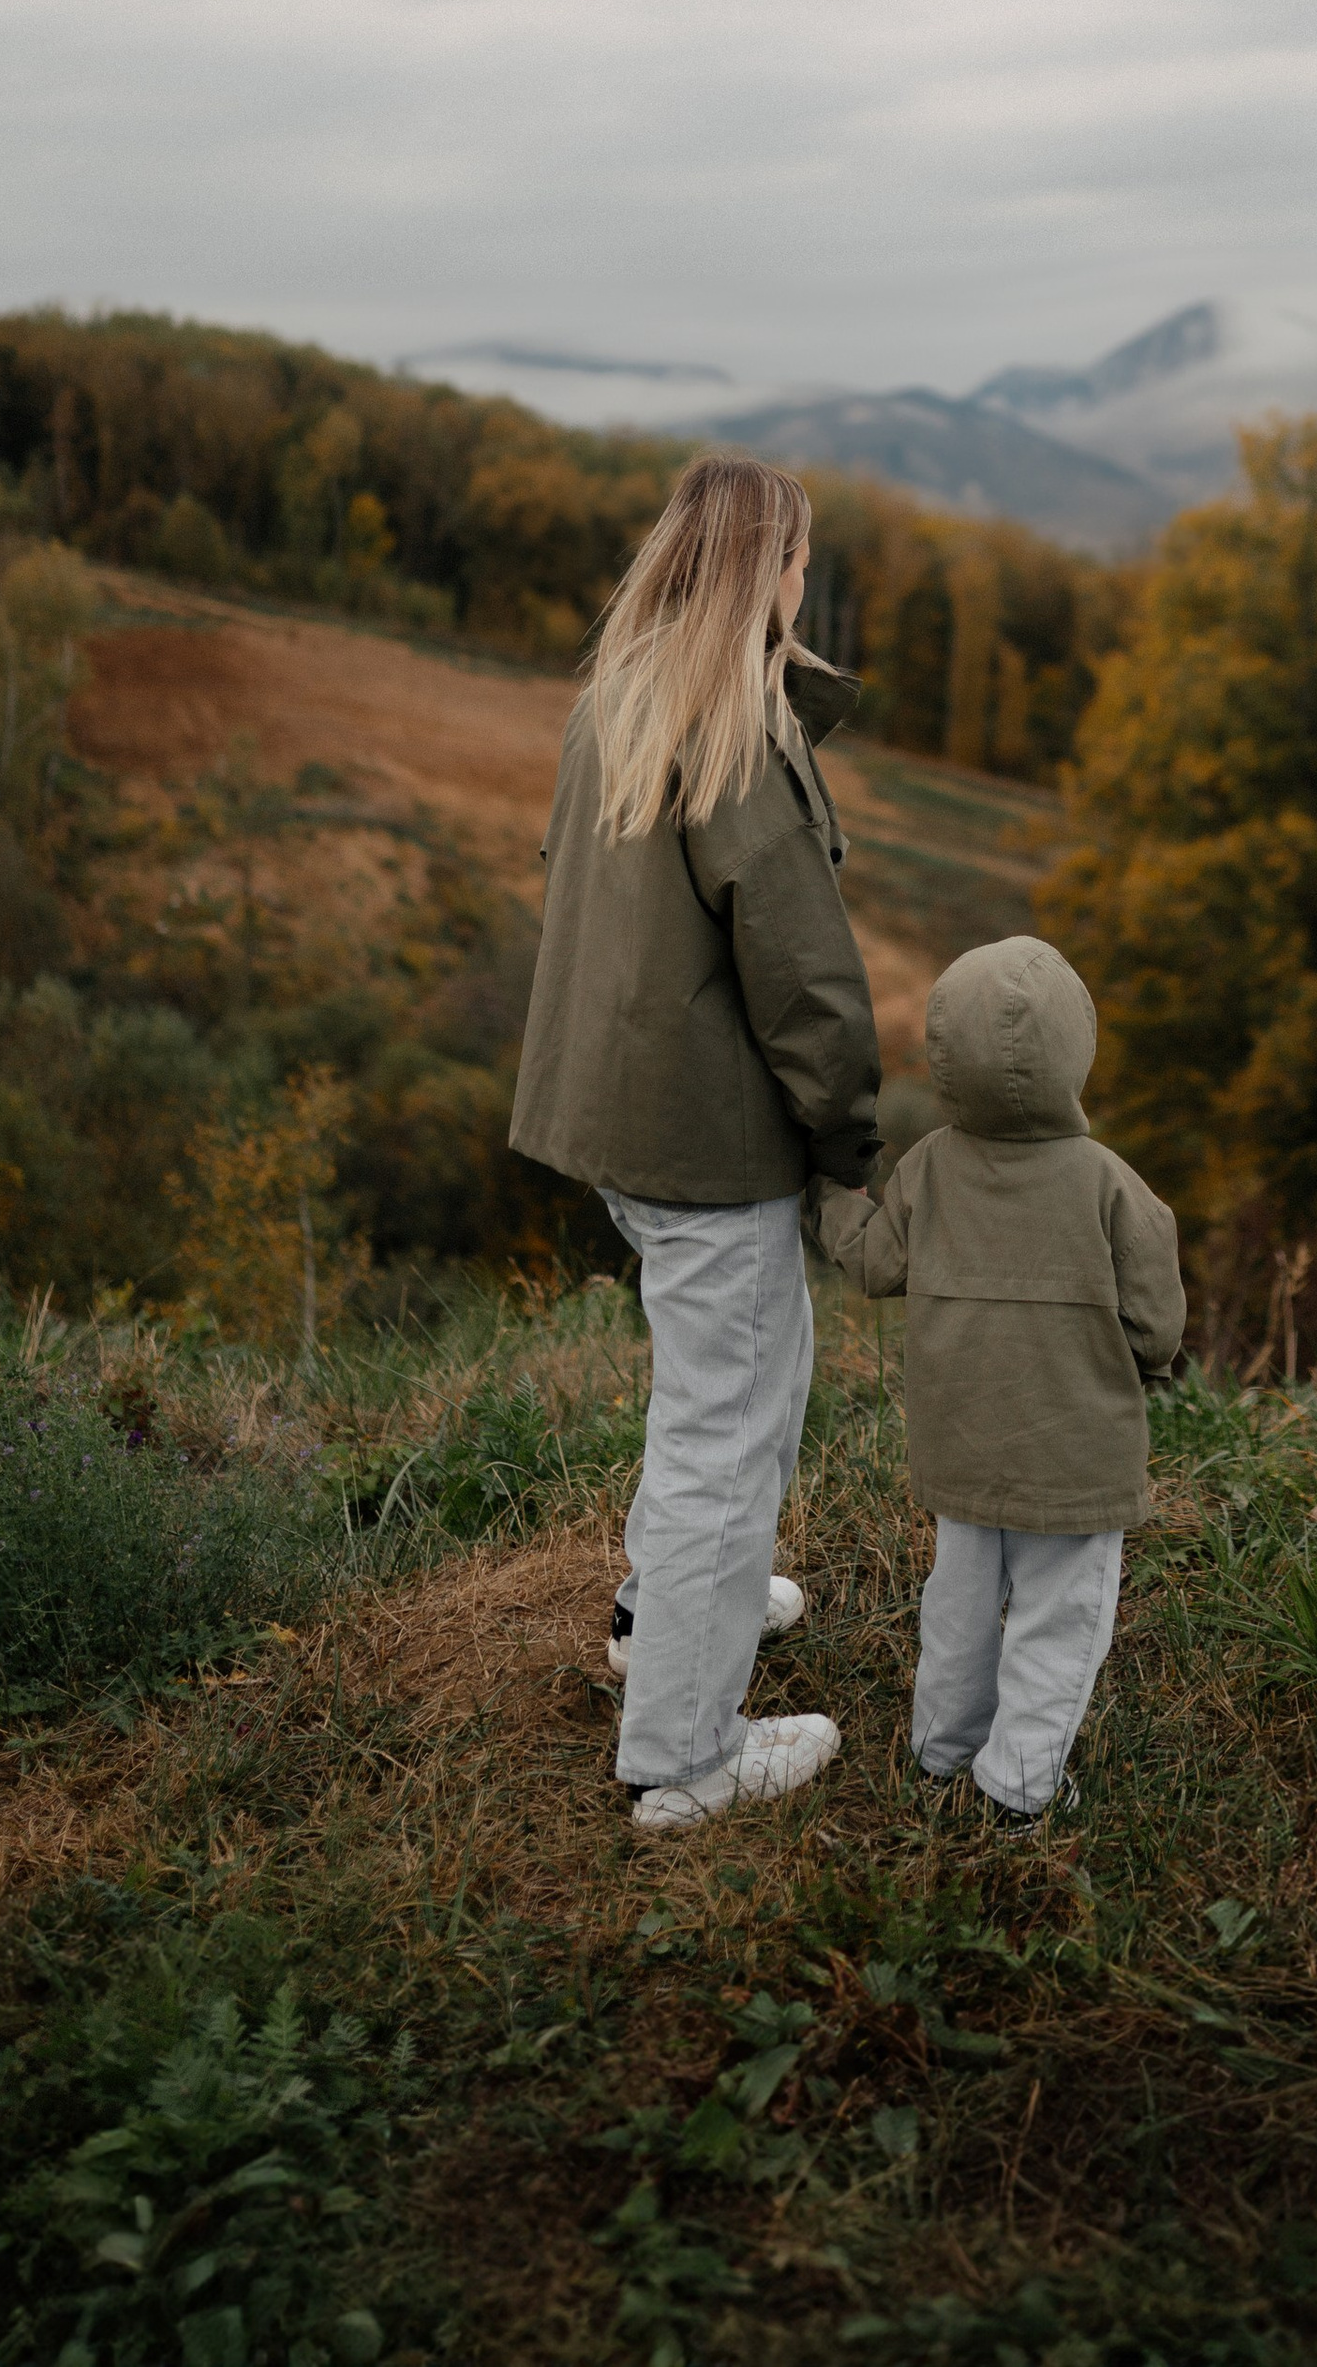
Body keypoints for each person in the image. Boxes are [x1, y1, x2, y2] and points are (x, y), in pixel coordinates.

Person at [509, 451, 881, 1834]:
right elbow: (808, 981)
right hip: (703, 1136)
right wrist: (852, 1135)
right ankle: (683, 1755)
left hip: (626, 1121)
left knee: (727, 1393)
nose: (803, 580)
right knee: (730, 1429)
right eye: (795, 560)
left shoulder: (624, 691)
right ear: (764, 568)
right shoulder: (735, 733)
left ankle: (656, 1614)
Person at [804, 934, 1184, 1822]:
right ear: (1077, 1052)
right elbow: (1156, 1324)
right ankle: (1017, 1787)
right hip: (1077, 1457)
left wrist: (822, 1193)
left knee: (960, 1607)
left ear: (945, 1058)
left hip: (962, 1445)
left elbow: (870, 1263)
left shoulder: (931, 1166)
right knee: (1060, 1620)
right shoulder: (1112, 1188)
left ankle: (941, 1754)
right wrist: (1150, 1366)